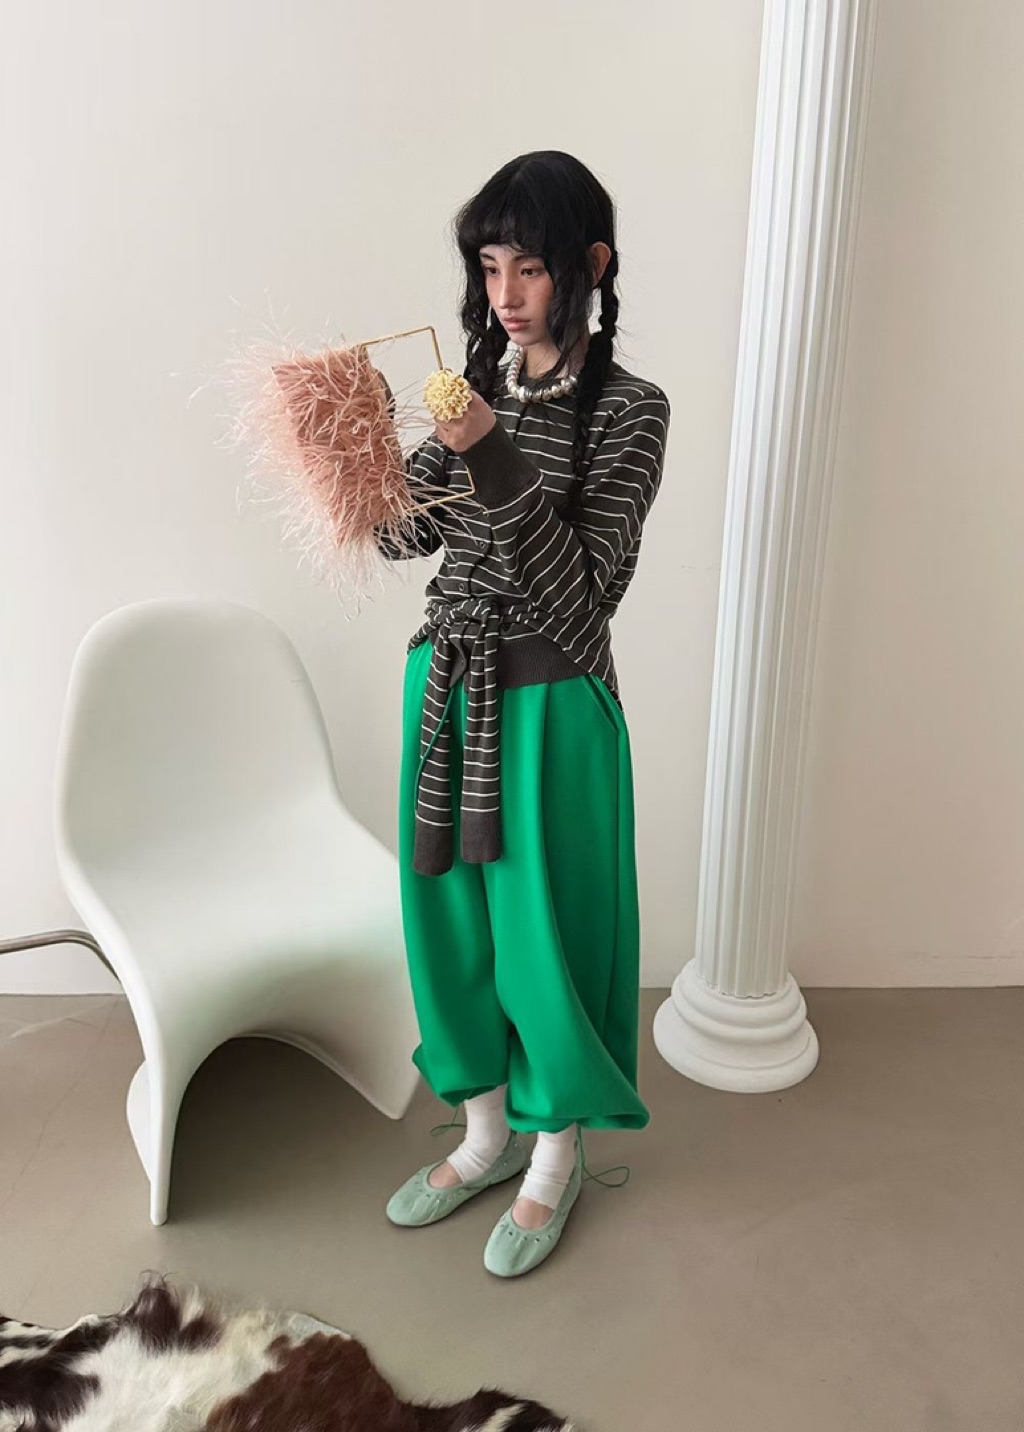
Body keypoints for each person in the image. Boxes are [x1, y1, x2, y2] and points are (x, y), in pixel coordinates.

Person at [375, 150, 671, 1278]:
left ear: (589, 265)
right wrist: (358, 452)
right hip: (445, 684)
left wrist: (488, 453)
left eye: (531, 268)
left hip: (551, 696)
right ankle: (485, 1132)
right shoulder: (474, 393)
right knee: (450, 924)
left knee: (546, 935)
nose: (505, 293)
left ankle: (556, 1152)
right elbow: (401, 539)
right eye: (490, 266)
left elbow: (582, 595)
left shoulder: (632, 412)